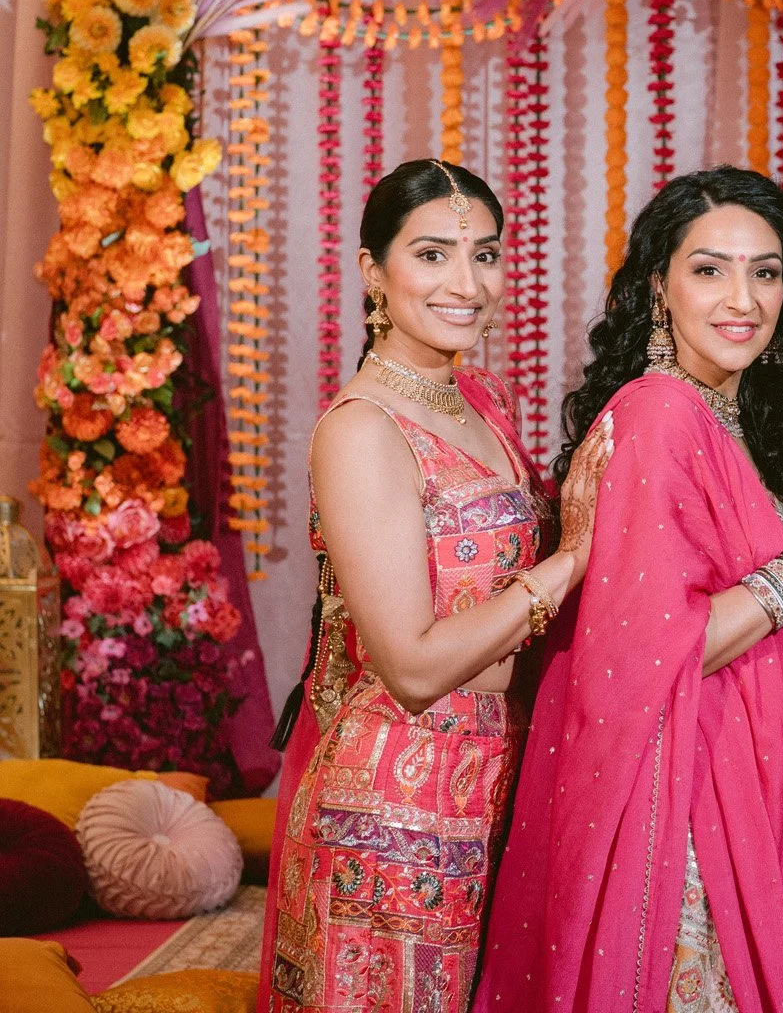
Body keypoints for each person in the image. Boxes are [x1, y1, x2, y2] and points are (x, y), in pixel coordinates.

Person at [473, 166, 783, 1013]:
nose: (743, 299)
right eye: (710, 269)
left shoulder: (728, 418)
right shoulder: (660, 415)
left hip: (730, 762)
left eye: (765, 273)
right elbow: (652, 651)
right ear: (660, 288)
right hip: (676, 800)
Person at [259, 159, 612, 1013]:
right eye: (432, 255)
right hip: (396, 806)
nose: (467, 284)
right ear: (373, 271)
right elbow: (412, 668)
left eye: (484, 255)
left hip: (502, 775)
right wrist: (573, 559)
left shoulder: (480, 399)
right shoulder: (363, 432)